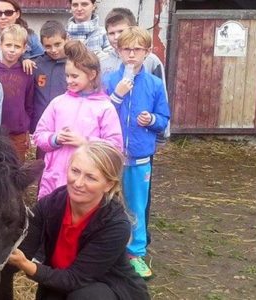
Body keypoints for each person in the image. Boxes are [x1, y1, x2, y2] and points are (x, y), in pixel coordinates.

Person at [8, 142, 150, 300]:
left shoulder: (115, 225)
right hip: (63, 282)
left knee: (86, 296)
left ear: (108, 185)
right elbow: (22, 247)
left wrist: (26, 265)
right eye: (75, 171)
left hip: (107, 289)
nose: (78, 183)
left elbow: (75, 279)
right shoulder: (52, 204)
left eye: (91, 177)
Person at [104, 26, 170, 280]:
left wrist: (152, 119)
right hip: (111, 155)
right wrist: (118, 96)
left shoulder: (153, 84)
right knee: (107, 203)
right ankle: (106, 250)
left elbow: (164, 118)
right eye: (126, 49)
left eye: (137, 49)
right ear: (118, 51)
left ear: (147, 52)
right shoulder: (109, 80)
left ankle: (136, 253)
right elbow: (100, 113)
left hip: (139, 157)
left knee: (136, 205)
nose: (131, 54)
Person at [33, 40, 123, 199]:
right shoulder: (58, 102)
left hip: (86, 180)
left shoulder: (104, 107)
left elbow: (115, 147)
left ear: (92, 75)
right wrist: (55, 138)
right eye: (67, 75)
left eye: (75, 76)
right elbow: (39, 135)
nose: (69, 80)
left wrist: (86, 142)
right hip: (55, 178)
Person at [100, 7, 170, 145]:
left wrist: (159, 131)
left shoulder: (152, 61)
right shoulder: (102, 62)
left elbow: (161, 102)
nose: (116, 37)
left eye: (121, 31)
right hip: (111, 142)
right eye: (111, 33)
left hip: (141, 140)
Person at [0, 24, 35, 162]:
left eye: (17, 46)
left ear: (24, 48)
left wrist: (27, 130)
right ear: (0, 45)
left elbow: (29, 104)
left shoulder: (27, 71)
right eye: (8, 45)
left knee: (16, 171)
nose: (12, 50)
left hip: (17, 134)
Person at [32, 20, 69, 158]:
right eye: (48, 46)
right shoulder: (36, 65)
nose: (53, 50)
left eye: (58, 44)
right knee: (43, 165)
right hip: (44, 129)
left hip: (67, 126)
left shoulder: (74, 64)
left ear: (66, 39)